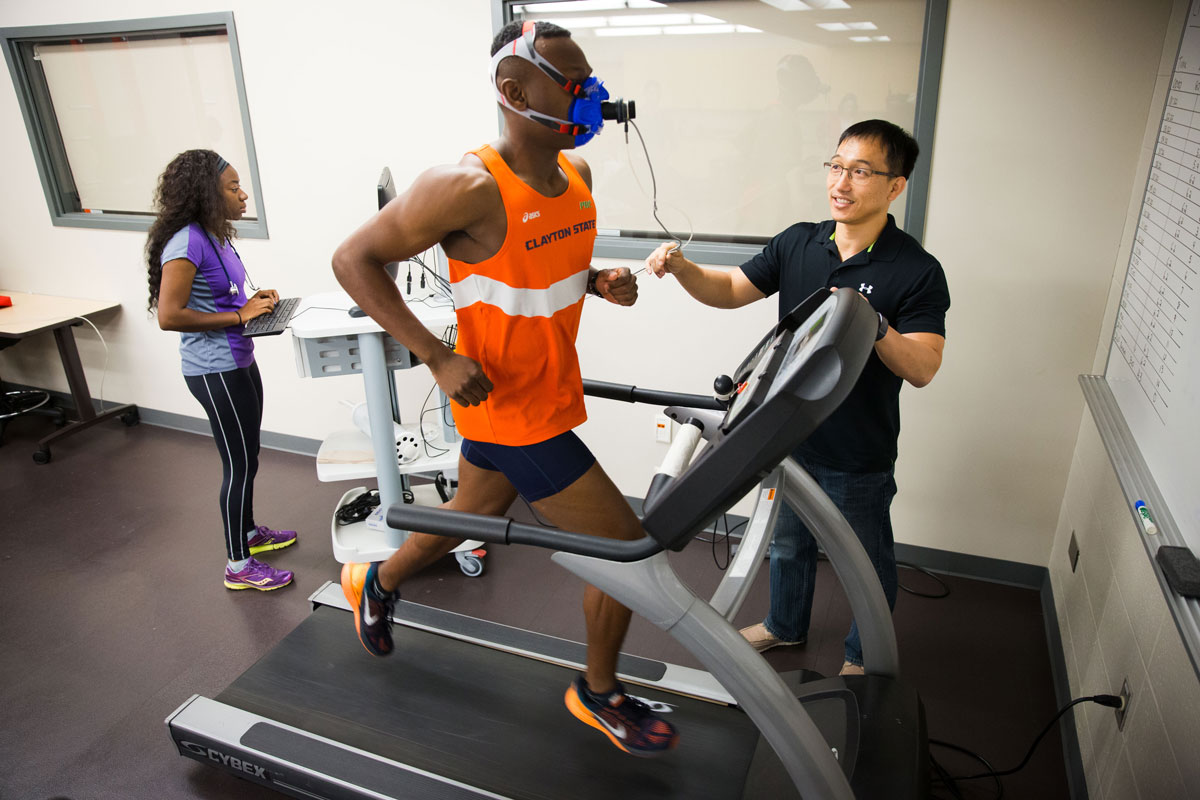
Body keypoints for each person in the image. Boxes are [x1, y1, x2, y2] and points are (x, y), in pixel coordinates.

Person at [330, 20, 678, 757]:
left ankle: (376, 580)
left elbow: (531, 269)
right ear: (515, 92)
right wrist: (433, 356)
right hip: (516, 412)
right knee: (630, 554)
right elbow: (353, 259)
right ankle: (599, 692)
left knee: (463, 517)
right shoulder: (466, 186)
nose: (590, 93)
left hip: (532, 396)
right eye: (571, 80)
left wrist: (599, 281)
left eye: (589, 77)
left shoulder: (576, 179)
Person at [646, 120, 949, 676]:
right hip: (786, 435)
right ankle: (786, 625)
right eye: (836, 166)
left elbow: (925, 366)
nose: (842, 182)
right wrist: (685, 270)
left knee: (866, 563)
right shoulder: (799, 241)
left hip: (859, 450)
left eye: (860, 171)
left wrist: (872, 324)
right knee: (786, 544)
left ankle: (865, 656)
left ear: (895, 186)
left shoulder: (916, 270)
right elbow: (733, 290)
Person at [146, 149, 297, 591]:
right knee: (237, 464)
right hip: (213, 369)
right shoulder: (185, 242)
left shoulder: (214, 235)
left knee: (248, 457)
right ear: (206, 195)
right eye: (232, 188)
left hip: (238, 358)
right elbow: (169, 315)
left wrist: (254, 300)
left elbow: (224, 293)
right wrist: (238, 316)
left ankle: (249, 533)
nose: (243, 195)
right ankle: (238, 565)